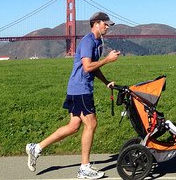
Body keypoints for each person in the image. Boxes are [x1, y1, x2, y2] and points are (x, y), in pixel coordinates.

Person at [26, 11, 121, 179]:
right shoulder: (88, 41)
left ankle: (36, 148)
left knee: (73, 126)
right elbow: (87, 67)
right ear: (96, 23)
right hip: (81, 89)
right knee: (91, 124)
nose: (108, 27)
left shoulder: (98, 41)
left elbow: (93, 66)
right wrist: (107, 60)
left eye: (109, 25)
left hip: (78, 88)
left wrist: (106, 82)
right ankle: (84, 168)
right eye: (106, 24)